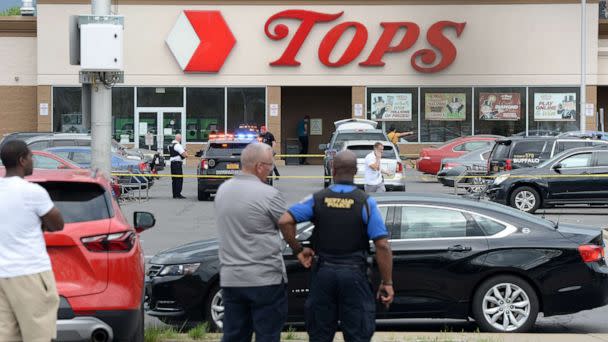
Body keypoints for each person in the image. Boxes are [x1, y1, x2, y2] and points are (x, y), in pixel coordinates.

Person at [278, 150, 394, 342]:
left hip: (324, 274)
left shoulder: (317, 199)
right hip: (354, 275)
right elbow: (382, 245)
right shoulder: (366, 203)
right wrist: (387, 282)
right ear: (356, 170)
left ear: (332, 169)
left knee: (320, 334)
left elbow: (284, 221)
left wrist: (298, 250)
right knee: (358, 334)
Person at [215, 143, 313, 342]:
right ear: (259, 166)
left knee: (234, 335)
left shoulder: (222, 191)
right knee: (267, 335)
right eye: (270, 165)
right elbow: (287, 222)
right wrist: (298, 249)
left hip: (231, 279)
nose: (271, 170)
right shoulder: (268, 195)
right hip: (264, 280)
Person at [0, 140, 64, 342]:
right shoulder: (33, 193)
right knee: (38, 336)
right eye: (30, 157)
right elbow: (57, 224)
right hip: (30, 274)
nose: (32, 161)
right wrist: (41, 223)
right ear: (22, 160)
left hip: (2, 276)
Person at [168, 133, 188, 199]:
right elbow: (184, 155)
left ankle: (174, 194)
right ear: (179, 139)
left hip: (172, 164)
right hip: (177, 164)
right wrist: (185, 152)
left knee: (174, 179)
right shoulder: (178, 145)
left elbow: (172, 153)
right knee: (179, 179)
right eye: (180, 138)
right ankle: (178, 194)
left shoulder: (170, 145)